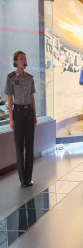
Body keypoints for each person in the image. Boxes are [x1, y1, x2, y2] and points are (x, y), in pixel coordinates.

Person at [5, 51, 37, 187]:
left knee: (29, 147)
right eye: (21, 59)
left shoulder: (30, 78)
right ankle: (23, 179)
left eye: (25, 58)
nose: (24, 61)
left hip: (29, 113)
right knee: (19, 147)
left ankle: (29, 178)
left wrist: (34, 115)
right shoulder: (11, 78)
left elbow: (32, 98)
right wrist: (11, 119)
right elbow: (10, 99)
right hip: (18, 114)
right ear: (15, 61)